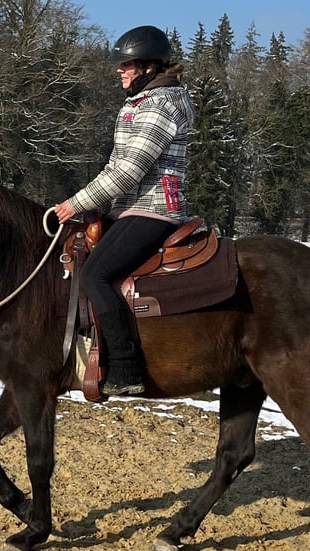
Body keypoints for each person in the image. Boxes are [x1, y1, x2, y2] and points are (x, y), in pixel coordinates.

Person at [54, 25, 196, 396]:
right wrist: (91, 205)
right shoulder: (141, 103)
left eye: (128, 63)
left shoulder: (162, 104)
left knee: (96, 276)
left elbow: (129, 170)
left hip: (153, 210)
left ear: (149, 67)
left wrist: (74, 205)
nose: (120, 69)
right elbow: (113, 169)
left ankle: (126, 367)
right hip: (129, 207)